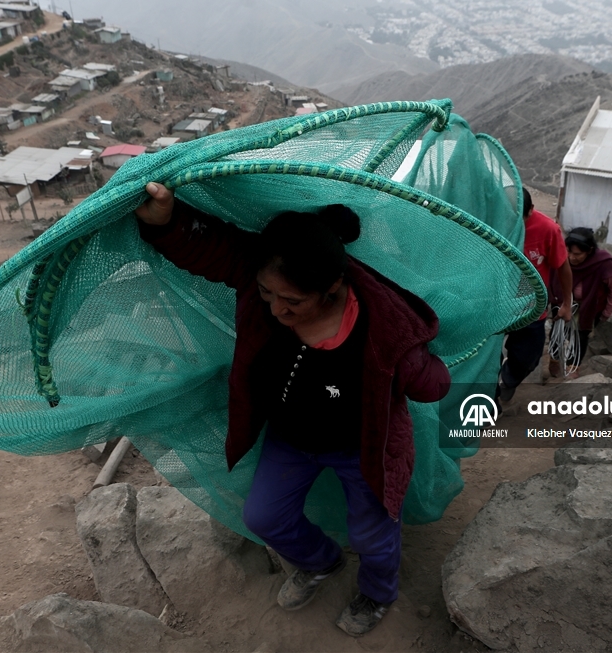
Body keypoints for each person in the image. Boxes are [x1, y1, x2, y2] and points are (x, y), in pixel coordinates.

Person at [135, 182, 450, 637]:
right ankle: (321, 562)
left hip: (360, 446)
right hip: (291, 440)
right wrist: (167, 221)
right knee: (264, 517)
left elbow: (429, 383)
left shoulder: (385, 329)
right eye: (266, 295)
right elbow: (215, 247)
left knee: (373, 534)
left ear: (332, 288)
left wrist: (425, 369)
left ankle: (378, 592)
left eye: (293, 302)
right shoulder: (267, 271)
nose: (278, 310)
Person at [497, 187, 572, 402]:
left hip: (532, 308)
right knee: (487, 360)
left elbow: (563, 266)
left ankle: (508, 381)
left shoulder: (548, 229)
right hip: (497, 306)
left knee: (527, 358)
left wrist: (567, 303)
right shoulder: (492, 224)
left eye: (520, 220)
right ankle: (491, 400)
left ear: (531, 210)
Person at [548, 227, 612, 376]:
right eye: (568, 251)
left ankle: (572, 368)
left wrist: (606, 313)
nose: (571, 257)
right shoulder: (561, 257)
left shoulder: (602, 263)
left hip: (588, 307)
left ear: (589, 251)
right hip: (562, 303)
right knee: (557, 333)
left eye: (577, 254)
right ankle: (554, 360)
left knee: (580, 337)